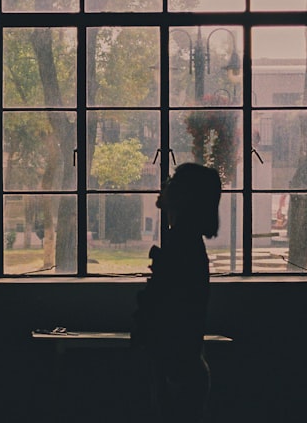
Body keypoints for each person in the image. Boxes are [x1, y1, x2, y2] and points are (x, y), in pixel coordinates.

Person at [132, 162, 222, 423]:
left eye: (172, 180)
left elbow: (170, 311)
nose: (164, 184)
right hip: (181, 367)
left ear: (184, 196)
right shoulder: (185, 242)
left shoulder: (181, 245)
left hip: (177, 369)